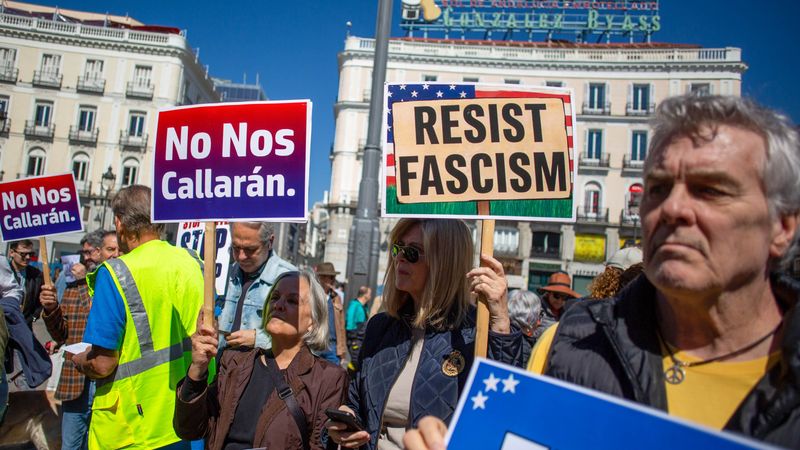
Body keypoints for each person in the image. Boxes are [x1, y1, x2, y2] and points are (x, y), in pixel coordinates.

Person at [403, 95, 800, 448]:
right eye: (658, 189)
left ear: (783, 226)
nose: (673, 209)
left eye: (711, 190)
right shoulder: (572, 343)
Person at [326, 218, 522, 449]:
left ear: (445, 262)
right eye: (398, 248)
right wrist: (346, 422)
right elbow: (358, 402)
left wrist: (500, 321)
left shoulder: (474, 332)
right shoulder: (381, 325)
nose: (399, 257)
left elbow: (505, 408)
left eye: (413, 252)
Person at [72, 185, 204, 449]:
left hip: (134, 427)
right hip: (190, 417)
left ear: (120, 223)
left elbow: (102, 364)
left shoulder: (116, 272)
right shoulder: (191, 259)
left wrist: (78, 360)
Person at [174, 269, 348, 450]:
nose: (279, 305)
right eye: (275, 297)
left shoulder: (327, 379)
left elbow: (321, 444)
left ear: (312, 321)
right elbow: (189, 429)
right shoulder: (234, 361)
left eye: (292, 301)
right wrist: (197, 369)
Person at [39, 229, 118, 450]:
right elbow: (61, 334)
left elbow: (98, 313)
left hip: (109, 383)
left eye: (118, 250)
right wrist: (51, 308)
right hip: (77, 381)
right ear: (98, 252)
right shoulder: (73, 286)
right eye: (110, 249)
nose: (114, 255)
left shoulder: (120, 288)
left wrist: (85, 282)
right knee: (71, 444)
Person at [217, 221, 296, 350]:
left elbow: (303, 335)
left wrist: (259, 339)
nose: (241, 257)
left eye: (250, 250)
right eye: (235, 248)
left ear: (270, 242)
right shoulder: (224, 274)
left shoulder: (290, 279)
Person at [315, 262, 346, 366]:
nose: (333, 280)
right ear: (321, 278)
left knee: (333, 379)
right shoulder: (311, 296)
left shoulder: (336, 298)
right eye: (330, 277)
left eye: (333, 277)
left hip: (332, 346)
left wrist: (342, 352)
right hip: (315, 344)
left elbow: (341, 326)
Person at [7, 239, 44, 328]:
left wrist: (33, 318)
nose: (27, 257)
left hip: (25, 326)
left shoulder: (36, 275)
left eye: (30, 254)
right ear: (12, 252)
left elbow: (40, 303)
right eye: (23, 254)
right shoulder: (3, 271)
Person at [534, 272, 579, 339]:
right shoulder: (536, 310)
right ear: (548, 293)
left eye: (564, 297)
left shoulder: (568, 314)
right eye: (556, 295)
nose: (560, 300)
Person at [507, 290, 542, 363]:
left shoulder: (502, 336)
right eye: (539, 315)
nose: (539, 323)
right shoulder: (523, 347)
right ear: (529, 316)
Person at [345, 286, 371, 369]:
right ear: (365, 295)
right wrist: (353, 337)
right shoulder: (354, 305)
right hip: (355, 339)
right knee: (356, 360)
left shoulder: (364, 306)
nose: (370, 296)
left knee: (359, 361)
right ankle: (349, 377)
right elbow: (349, 320)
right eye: (369, 294)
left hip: (362, 338)